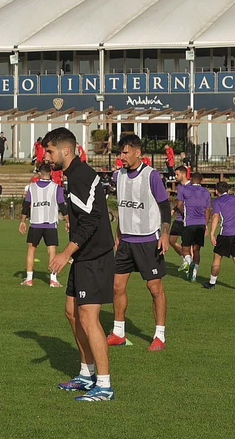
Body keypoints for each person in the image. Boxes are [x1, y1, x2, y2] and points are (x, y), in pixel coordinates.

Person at [45, 128, 117, 402]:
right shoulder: (73, 175)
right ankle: (86, 374)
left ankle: (105, 385)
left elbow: (92, 219)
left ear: (66, 150)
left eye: (50, 151)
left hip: (94, 256)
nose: (47, 157)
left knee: (88, 318)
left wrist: (65, 253)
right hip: (83, 256)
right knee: (71, 313)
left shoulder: (80, 176)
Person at [110, 135, 171, 349]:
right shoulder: (118, 176)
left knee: (154, 288)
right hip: (126, 240)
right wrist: (118, 232)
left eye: (125, 152)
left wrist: (165, 233)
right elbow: (122, 207)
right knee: (117, 286)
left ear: (137, 152)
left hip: (148, 240)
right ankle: (118, 332)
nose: (121, 157)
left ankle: (159, 336)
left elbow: (165, 206)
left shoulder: (151, 176)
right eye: (120, 153)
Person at [20, 172, 66, 287]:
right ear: (50, 174)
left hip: (35, 223)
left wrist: (22, 221)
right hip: (50, 224)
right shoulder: (56, 187)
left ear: (39, 174)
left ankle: (29, 279)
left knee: (31, 250)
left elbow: (26, 205)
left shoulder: (32, 187)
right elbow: (62, 205)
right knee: (52, 251)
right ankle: (53, 280)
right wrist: (68, 221)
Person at [204, 180, 235, 291]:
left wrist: (212, 233)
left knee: (217, 257)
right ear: (228, 190)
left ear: (216, 191)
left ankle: (212, 283)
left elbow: (215, 216)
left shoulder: (217, 201)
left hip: (226, 233)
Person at [177, 171, 212, 282]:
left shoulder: (185, 190)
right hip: (201, 224)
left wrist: (184, 214)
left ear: (191, 180)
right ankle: (194, 276)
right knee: (197, 250)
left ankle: (190, 262)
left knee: (185, 248)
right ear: (201, 181)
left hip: (189, 223)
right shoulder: (206, 192)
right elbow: (207, 209)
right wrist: (206, 224)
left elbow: (179, 205)